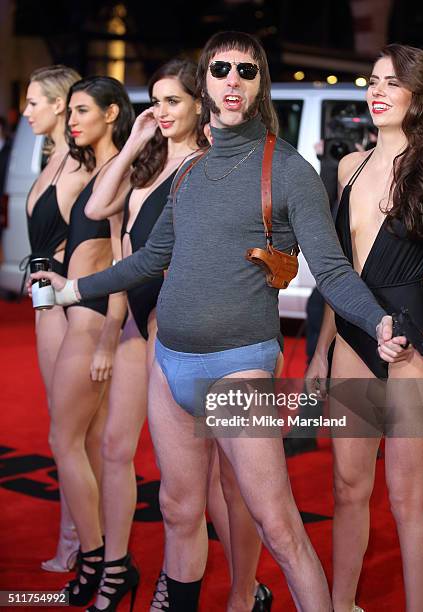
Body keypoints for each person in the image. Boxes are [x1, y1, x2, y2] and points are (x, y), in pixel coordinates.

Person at [31, 32, 404, 611]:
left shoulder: (289, 169)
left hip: (238, 367)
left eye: (247, 72)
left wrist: (378, 321)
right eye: (222, 69)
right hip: (169, 363)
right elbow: (151, 259)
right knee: (181, 513)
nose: (233, 80)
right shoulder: (189, 171)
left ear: (257, 87)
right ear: (205, 81)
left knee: (277, 524)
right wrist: (73, 288)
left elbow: (331, 271)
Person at [84, 58, 273, 612]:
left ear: (199, 105)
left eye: (173, 101)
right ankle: (216, 587)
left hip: (192, 335)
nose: (161, 112)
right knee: (191, 488)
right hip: (149, 332)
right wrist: (135, 139)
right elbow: (98, 208)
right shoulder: (147, 172)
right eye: (155, 101)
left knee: (227, 484)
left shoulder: (208, 167)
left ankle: (241, 590)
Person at [306, 44, 423, 612]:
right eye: (373, 80)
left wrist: (418, 273)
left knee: (409, 500)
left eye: (392, 82)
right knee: (347, 489)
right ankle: (342, 605)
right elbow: (339, 272)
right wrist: (320, 353)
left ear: (421, 92)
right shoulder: (349, 165)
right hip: (350, 337)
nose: (377, 91)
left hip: (416, 338)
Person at [46, 76, 134, 605]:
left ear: (111, 114)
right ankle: (101, 562)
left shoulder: (120, 174)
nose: (72, 120)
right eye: (71, 111)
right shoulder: (98, 171)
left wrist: (106, 339)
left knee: (64, 442)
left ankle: (97, 558)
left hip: (95, 321)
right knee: (85, 445)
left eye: (82, 111)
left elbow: (124, 264)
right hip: (78, 310)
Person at [22, 65, 90, 572]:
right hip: (47, 301)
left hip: (67, 306)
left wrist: (59, 280)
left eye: (32, 102)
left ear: (59, 105)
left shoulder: (79, 166)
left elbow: (96, 239)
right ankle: (83, 541)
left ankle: (81, 545)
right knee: (64, 428)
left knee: (69, 434)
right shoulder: (53, 160)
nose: (25, 112)